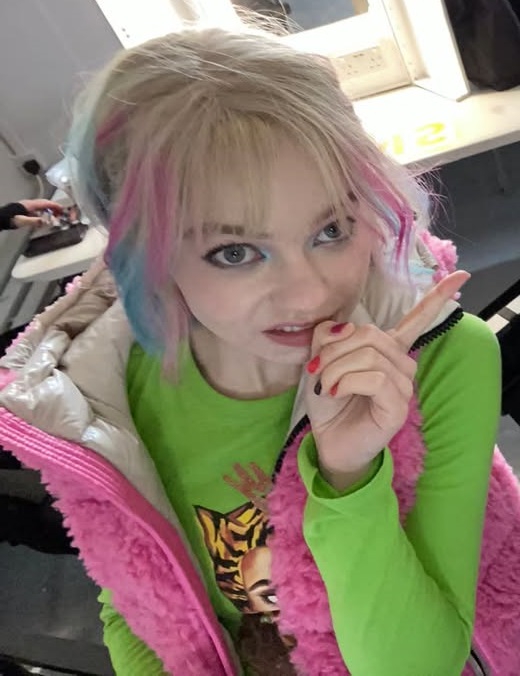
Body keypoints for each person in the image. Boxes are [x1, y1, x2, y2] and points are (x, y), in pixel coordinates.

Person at [0, 25, 518, 676]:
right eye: (235, 253)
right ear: (148, 257)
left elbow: (419, 666)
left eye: (332, 229)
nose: (310, 294)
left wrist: (349, 480)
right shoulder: (101, 398)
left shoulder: (441, 361)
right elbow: (135, 597)